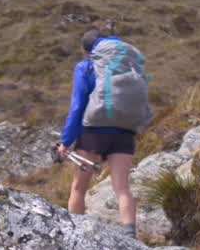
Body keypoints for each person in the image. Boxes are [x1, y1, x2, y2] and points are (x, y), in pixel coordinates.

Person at [57, 27, 152, 237]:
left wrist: (66, 141)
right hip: (125, 132)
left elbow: (77, 106)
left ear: (88, 50)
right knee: (122, 188)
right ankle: (129, 234)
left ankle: (77, 234)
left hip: (94, 133)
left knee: (79, 188)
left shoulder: (86, 67)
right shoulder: (128, 66)